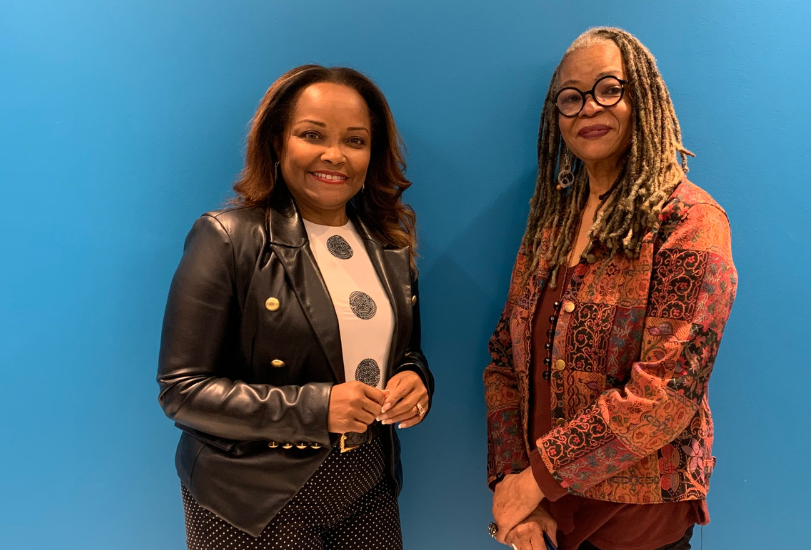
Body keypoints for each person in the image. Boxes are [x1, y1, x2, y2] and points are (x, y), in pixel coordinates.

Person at [157, 64, 433, 550]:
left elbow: (405, 350)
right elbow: (182, 390)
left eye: (355, 140)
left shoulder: (389, 242)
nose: (335, 155)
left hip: (368, 483)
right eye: (312, 135)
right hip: (252, 497)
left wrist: (416, 381)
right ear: (276, 143)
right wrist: (317, 407)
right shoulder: (227, 237)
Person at [485, 27, 738, 550]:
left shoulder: (690, 222)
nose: (587, 109)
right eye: (570, 98)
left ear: (641, 98)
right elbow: (504, 357)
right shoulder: (551, 224)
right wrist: (514, 485)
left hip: (635, 523)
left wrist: (536, 479)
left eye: (609, 88)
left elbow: (667, 395)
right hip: (542, 517)